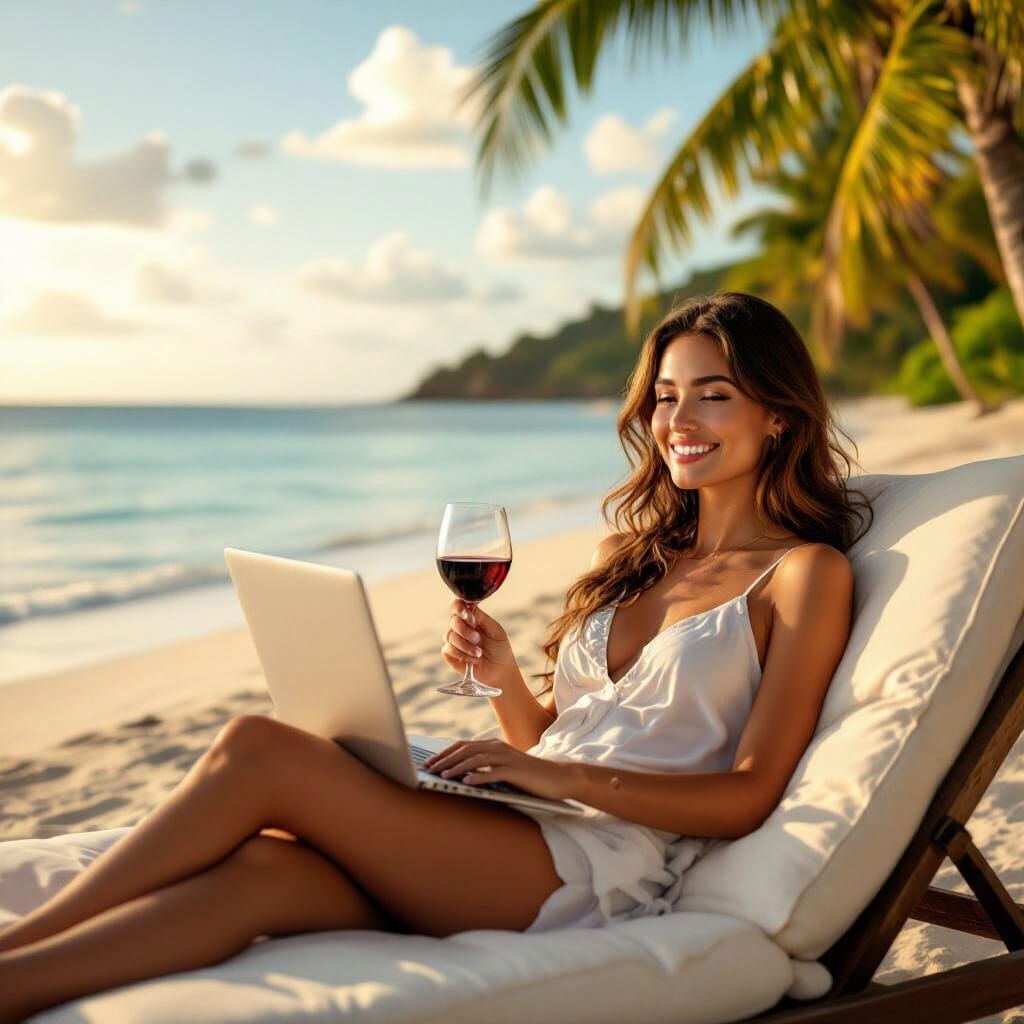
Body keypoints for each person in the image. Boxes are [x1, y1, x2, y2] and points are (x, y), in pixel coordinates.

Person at [0, 291, 868, 1021]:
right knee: (260, 875)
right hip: (528, 827)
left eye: (712, 395)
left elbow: (750, 794)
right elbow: (560, 739)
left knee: (260, 749)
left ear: (778, 414)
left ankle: (14, 943)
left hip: (599, 866)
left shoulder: (802, 575)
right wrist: (505, 691)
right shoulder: (638, 559)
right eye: (666, 396)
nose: (678, 421)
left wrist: (551, 781)